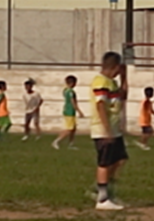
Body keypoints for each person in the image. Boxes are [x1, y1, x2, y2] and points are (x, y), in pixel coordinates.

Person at [90, 52, 128, 210]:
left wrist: (124, 78)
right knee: (105, 162)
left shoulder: (112, 82)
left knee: (120, 159)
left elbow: (123, 96)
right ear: (115, 66)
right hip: (104, 129)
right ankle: (103, 198)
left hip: (114, 128)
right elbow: (100, 105)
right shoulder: (101, 82)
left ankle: (100, 187)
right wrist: (107, 130)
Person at [53, 75, 84, 150]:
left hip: (68, 110)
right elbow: (73, 102)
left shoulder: (65, 90)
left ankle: (71, 144)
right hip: (69, 112)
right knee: (69, 129)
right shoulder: (71, 92)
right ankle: (56, 141)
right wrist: (79, 111)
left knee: (73, 128)